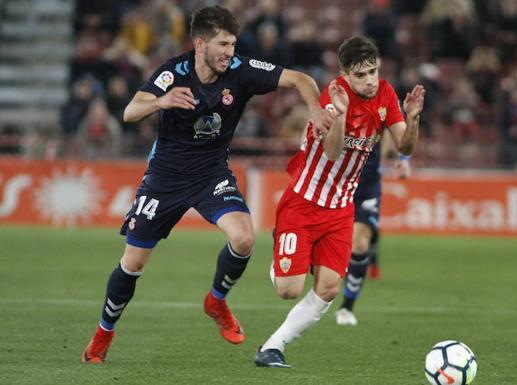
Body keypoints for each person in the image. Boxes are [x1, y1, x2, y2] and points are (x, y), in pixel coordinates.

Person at [81, 5, 333, 363]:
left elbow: (301, 80)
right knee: (133, 263)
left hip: (211, 173)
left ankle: (216, 301)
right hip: (165, 177)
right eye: (223, 44)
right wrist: (162, 101)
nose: (230, 52)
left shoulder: (240, 71)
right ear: (200, 44)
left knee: (244, 238)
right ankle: (104, 333)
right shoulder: (173, 71)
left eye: (233, 44)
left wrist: (315, 109)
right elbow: (129, 111)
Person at [254, 36, 425, 368]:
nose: (370, 80)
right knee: (288, 290)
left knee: (329, 287)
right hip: (303, 202)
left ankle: (273, 347)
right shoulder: (332, 98)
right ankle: (281, 250)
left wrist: (413, 118)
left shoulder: (386, 93)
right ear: (345, 74)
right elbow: (332, 153)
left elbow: (404, 147)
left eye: (373, 71)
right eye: (361, 75)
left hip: (341, 207)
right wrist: (343, 115)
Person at [335, 141, 410, 326]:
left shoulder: (385, 110)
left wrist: (404, 158)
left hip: (366, 184)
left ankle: (347, 306)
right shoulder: (339, 110)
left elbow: (400, 133)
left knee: (360, 244)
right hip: (334, 180)